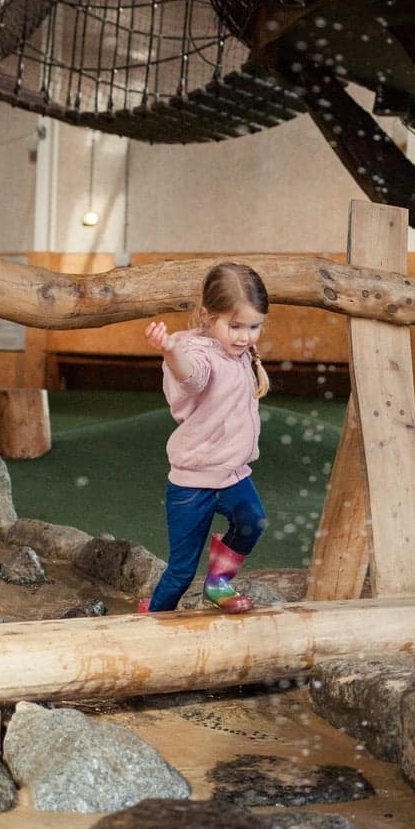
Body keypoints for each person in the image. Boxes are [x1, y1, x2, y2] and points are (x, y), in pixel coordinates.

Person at [140, 262, 270, 614]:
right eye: (235, 325)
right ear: (207, 317)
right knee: (181, 571)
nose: (244, 336)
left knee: (252, 520)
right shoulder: (198, 353)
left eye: (254, 326)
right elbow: (192, 378)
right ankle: (153, 618)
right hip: (192, 480)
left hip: (232, 473)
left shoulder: (240, 353)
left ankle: (217, 583)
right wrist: (170, 351)